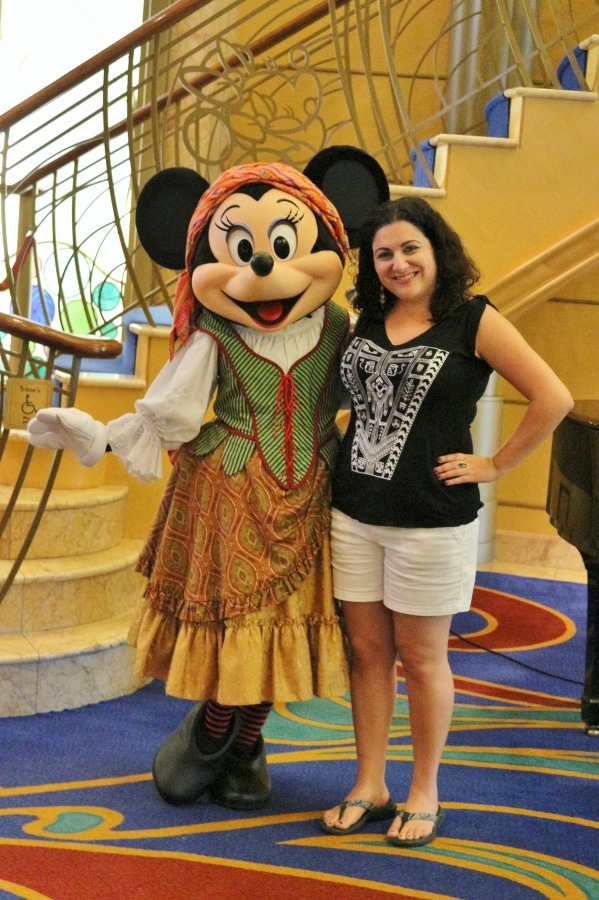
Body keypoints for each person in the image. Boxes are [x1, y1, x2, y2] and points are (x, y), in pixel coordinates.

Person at [27, 149, 389, 813]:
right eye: (243, 247)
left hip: (308, 494)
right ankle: (217, 729)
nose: (264, 267)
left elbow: (369, 397)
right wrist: (98, 437)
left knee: (282, 625)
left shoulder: (340, 327)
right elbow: (168, 413)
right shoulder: (212, 334)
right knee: (237, 627)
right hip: (226, 496)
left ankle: (246, 739)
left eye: (283, 243)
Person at [320, 196, 573, 847]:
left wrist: (494, 462)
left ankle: (423, 790)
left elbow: (552, 397)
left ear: (436, 252)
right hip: (353, 512)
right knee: (366, 653)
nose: (398, 263)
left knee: (422, 657)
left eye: (409, 249)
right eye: (383, 254)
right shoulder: (365, 318)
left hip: (431, 522)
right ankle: (368, 784)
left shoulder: (471, 319)